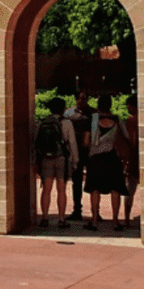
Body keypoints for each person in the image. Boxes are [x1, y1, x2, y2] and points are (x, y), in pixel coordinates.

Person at [83, 94, 130, 231]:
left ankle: (95, 221)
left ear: (98, 106)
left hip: (95, 158)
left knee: (95, 189)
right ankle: (116, 221)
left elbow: (87, 142)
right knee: (115, 189)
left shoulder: (93, 120)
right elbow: (126, 137)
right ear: (110, 105)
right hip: (112, 158)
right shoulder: (117, 120)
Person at [34, 97, 79, 228]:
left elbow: (36, 142)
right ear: (63, 109)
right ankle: (61, 219)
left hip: (46, 159)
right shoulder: (67, 123)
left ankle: (45, 218)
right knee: (61, 190)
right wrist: (75, 161)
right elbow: (72, 143)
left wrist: (36, 161)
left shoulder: (42, 122)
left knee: (46, 190)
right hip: (62, 159)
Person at [64, 89, 93, 220]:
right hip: (76, 152)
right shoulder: (68, 113)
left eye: (84, 98)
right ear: (76, 99)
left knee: (93, 182)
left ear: (88, 99)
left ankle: (95, 211)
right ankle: (77, 209)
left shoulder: (94, 113)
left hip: (90, 152)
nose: (82, 101)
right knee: (76, 182)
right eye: (79, 98)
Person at [122, 95, 139, 229]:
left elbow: (128, 141)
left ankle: (127, 219)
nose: (128, 107)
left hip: (133, 160)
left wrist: (125, 160)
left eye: (129, 105)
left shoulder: (130, 121)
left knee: (130, 191)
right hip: (143, 160)